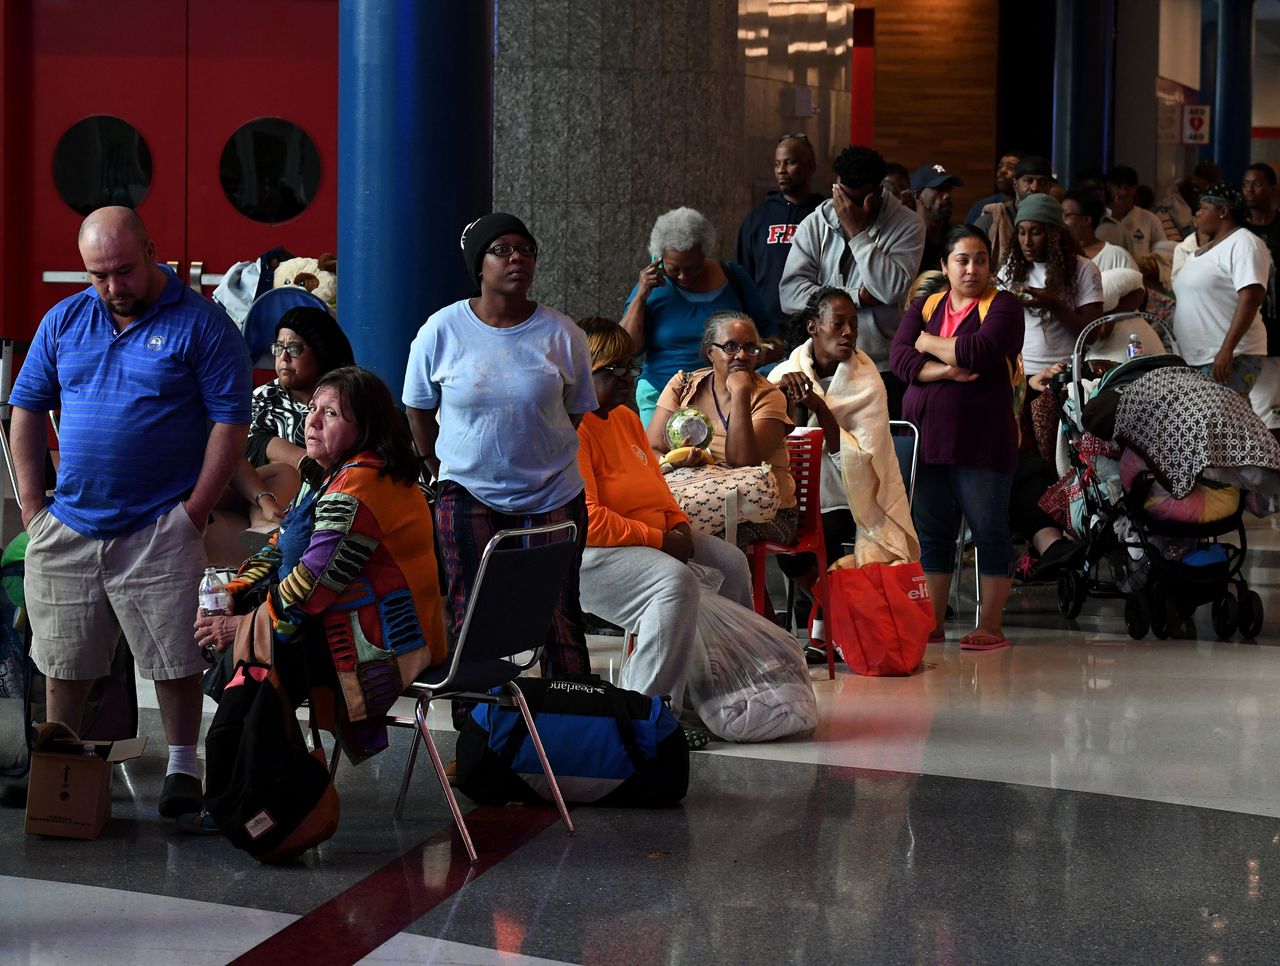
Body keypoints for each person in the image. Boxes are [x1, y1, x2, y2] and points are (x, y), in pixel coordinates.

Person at [9, 206, 251, 819]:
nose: (113, 287)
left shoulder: (203, 325)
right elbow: (28, 409)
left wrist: (193, 513)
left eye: (123, 270)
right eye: (98, 276)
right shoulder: (64, 320)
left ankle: (181, 767)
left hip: (158, 525)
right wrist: (33, 508)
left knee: (174, 656)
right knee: (64, 659)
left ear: (152, 249)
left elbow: (230, 422)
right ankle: (61, 764)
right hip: (70, 523)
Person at [195, 366, 447, 762]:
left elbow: (310, 588)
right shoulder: (326, 474)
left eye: (330, 414)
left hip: (385, 645)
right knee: (254, 649)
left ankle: (249, 789)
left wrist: (243, 626)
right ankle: (250, 783)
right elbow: (280, 546)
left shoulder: (359, 489)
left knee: (260, 660)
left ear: (366, 427)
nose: (311, 421)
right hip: (338, 619)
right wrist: (234, 591)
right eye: (313, 408)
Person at [404, 212, 597, 683]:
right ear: (479, 264)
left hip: (553, 494)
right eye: (503, 250)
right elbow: (418, 407)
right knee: (470, 617)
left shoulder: (562, 334)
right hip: (467, 492)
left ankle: (573, 725)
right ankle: (480, 737)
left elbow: (574, 411)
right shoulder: (441, 330)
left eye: (526, 250)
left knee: (560, 615)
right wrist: (436, 463)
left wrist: (535, 450)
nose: (518, 258)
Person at [574, 317, 752, 717]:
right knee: (675, 582)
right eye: (613, 369)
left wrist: (677, 525)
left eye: (630, 367)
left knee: (731, 562)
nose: (627, 378)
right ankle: (647, 711)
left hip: (649, 537)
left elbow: (659, 488)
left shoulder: (624, 419)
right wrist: (660, 540)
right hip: (594, 554)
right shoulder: (575, 427)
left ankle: (725, 684)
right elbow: (590, 521)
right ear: (583, 372)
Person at [890, 225, 1025, 650]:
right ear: (945, 266)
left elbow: (979, 353)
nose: (972, 268)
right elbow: (899, 359)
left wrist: (927, 342)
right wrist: (947, 369)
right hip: (925, 440)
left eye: (981, 259)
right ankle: (932, 623)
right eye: (962, 260)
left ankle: (991, 624)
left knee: (988, 530)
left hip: (981, 440)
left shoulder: (1004, 306)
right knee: (932, 533)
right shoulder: (928, 303)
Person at [769, 287, 919, 636]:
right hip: (795, 493)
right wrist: (786, 400)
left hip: (848, 496)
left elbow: (859, 460)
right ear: (813, 328)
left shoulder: (868, 382)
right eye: (838, 323)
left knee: (826, 535)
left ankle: (824, 632)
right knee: (788, 551)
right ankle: (838, 609)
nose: (849, 332)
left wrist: (820, 408)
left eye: (853, 324)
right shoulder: (783, 374)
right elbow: (775, 444)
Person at [779, 145, 925, 419]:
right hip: (822, 365)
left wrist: (857, 232)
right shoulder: (815, 224)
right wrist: (856, 296)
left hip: (879, 366)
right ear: (835, 186)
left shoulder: (909, 225)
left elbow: (890, 289)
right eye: (841, 196)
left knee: (873, 452)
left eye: (854, 201)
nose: (843, 207)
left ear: (875, 195)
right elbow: (789, 295)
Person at [204, 305, 356, 565]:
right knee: (283, 471)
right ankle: (264, 534)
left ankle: (266, 540)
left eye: (294, 349)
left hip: (325, 496)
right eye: (278, 347)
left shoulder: (348, 397)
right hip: (256, 494)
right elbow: (247, 444)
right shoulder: (264, 397)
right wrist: (299, 458)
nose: (284, 357)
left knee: (288, 474)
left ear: (321, 351)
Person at [648, 310, 798, 549]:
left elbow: (742, 461)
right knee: (653, 528)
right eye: (730, 346)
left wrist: (740, 393)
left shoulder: (769, 396)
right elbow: (653, 448)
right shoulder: (683, 385)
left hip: (764, 511)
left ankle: (731, 588)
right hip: (697, 500)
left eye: (751, 348)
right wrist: (678, 461)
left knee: (707, 542)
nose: (742, 355)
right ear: (710, 352)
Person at [624, 207, 773, 426]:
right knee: (662, 459)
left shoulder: (733, 278)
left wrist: (755, 355)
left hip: (723, 396)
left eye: (693, 268)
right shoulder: (650, 286)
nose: (684, 277)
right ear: (659, 259)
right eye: (674, 269)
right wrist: (641, 295)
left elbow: (769, 335)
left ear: (705, 253)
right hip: (660, 393)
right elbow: (628, 346)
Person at [1172, 183, 1271, 397]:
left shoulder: (1244, 243)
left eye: (1204, 208)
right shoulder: (1204, 249)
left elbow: (1251, 298)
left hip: (1231, 354)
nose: (1197, 213)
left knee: (1221, 422)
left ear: (1223, 212)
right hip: (1198, 356)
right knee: (1220, 423)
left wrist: (1227, 349)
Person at [997, 194, 1103, 375]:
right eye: (1022, 232)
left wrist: (1053, 304)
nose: (1027, 242)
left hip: (1063, 373)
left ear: (1054, 234)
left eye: (1036, 232)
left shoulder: (1083, 269)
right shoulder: (1010, 270)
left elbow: (1091, 335)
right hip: (1019, 373)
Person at [736, 134, 825, 338]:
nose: (781, 170)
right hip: (767, 329)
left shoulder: (824, 215)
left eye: (789, 162)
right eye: (777, 164)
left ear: (810, 167)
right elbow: (743, 277)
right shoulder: (757, 218)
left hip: (814, 326)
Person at [1243, 162, 1280, 434]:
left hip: (1277, 325)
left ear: (1272, 187)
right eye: (1245, 184)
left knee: (1271, 405)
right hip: (1250, 326)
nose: (1250, 190)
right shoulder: (1240, 231)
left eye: (1257, 183)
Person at [974, 154, 1055, 268]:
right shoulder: (991, 220)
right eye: (1028, 180)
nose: (1035, 187)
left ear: (1050, 187)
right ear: (1015, 184)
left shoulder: (1056, 223)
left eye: (1042, 182)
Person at [1096, 165, 1171, 259]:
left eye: (1128, 187)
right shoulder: (1099, 217)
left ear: (1135, 189)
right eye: (1118, 187)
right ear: (1108, 186)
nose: (1123, 192)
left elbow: (1164, 252)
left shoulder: (1149, 219)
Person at [1062, 189, 1139, 273]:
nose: (1059, 220)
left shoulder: (1117, 257)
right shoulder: (1057, 256)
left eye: (1066, 215)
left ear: (1086, 219)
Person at [912, 162, 963, 275]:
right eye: (939, 189)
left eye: (949, 189)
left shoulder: (957, 237)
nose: (947, 195)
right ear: (918, 195)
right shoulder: (906, 238)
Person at [965, 150, 1023, 225]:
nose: (1002, 170)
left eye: (1011, 167)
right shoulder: (981, 207)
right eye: (999, 167)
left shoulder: (1029, 207)